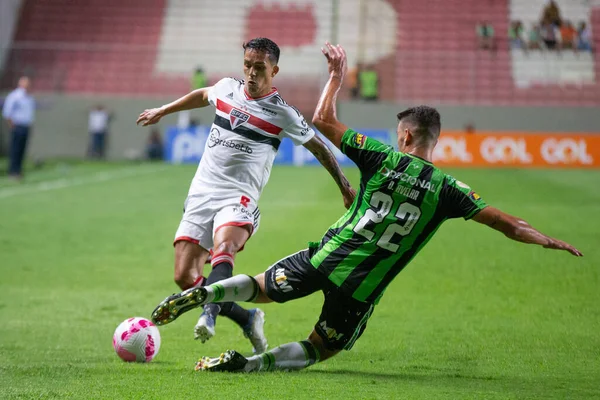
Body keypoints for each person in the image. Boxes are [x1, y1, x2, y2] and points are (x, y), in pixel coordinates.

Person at [149, 42, 583, 373]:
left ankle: (209, 294)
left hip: (324, 256)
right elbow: (507, 223)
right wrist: (547, 239)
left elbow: (323, 124)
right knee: (323, 347)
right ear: (435, 139)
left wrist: (336, 76)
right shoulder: (450, 190)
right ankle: (253, 364)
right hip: (362, 286)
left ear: (407, 137)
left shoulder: (380, 156)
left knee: (258, 285)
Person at [136, 38, 356, 353]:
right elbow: (202, 95)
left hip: (238, 198)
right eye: (248, 65)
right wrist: (163, 110)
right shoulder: (227, 88)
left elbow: (319, 147)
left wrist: (344, 185)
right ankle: (247, 318)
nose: (252, 73)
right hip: (202, 193)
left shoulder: (283, 113)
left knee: (225, 248)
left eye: (260, 68)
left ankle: (208, 314)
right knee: (185, 277)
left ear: (274, 70)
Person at [2, 76, 35, 180]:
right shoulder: (15, 96)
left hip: (26, 126)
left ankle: (18, 170)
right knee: (15, 149)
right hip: (18, 126)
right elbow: (7, 113)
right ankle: (12, 171)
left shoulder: (29, 97)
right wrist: (12, 126)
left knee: (22, 150)